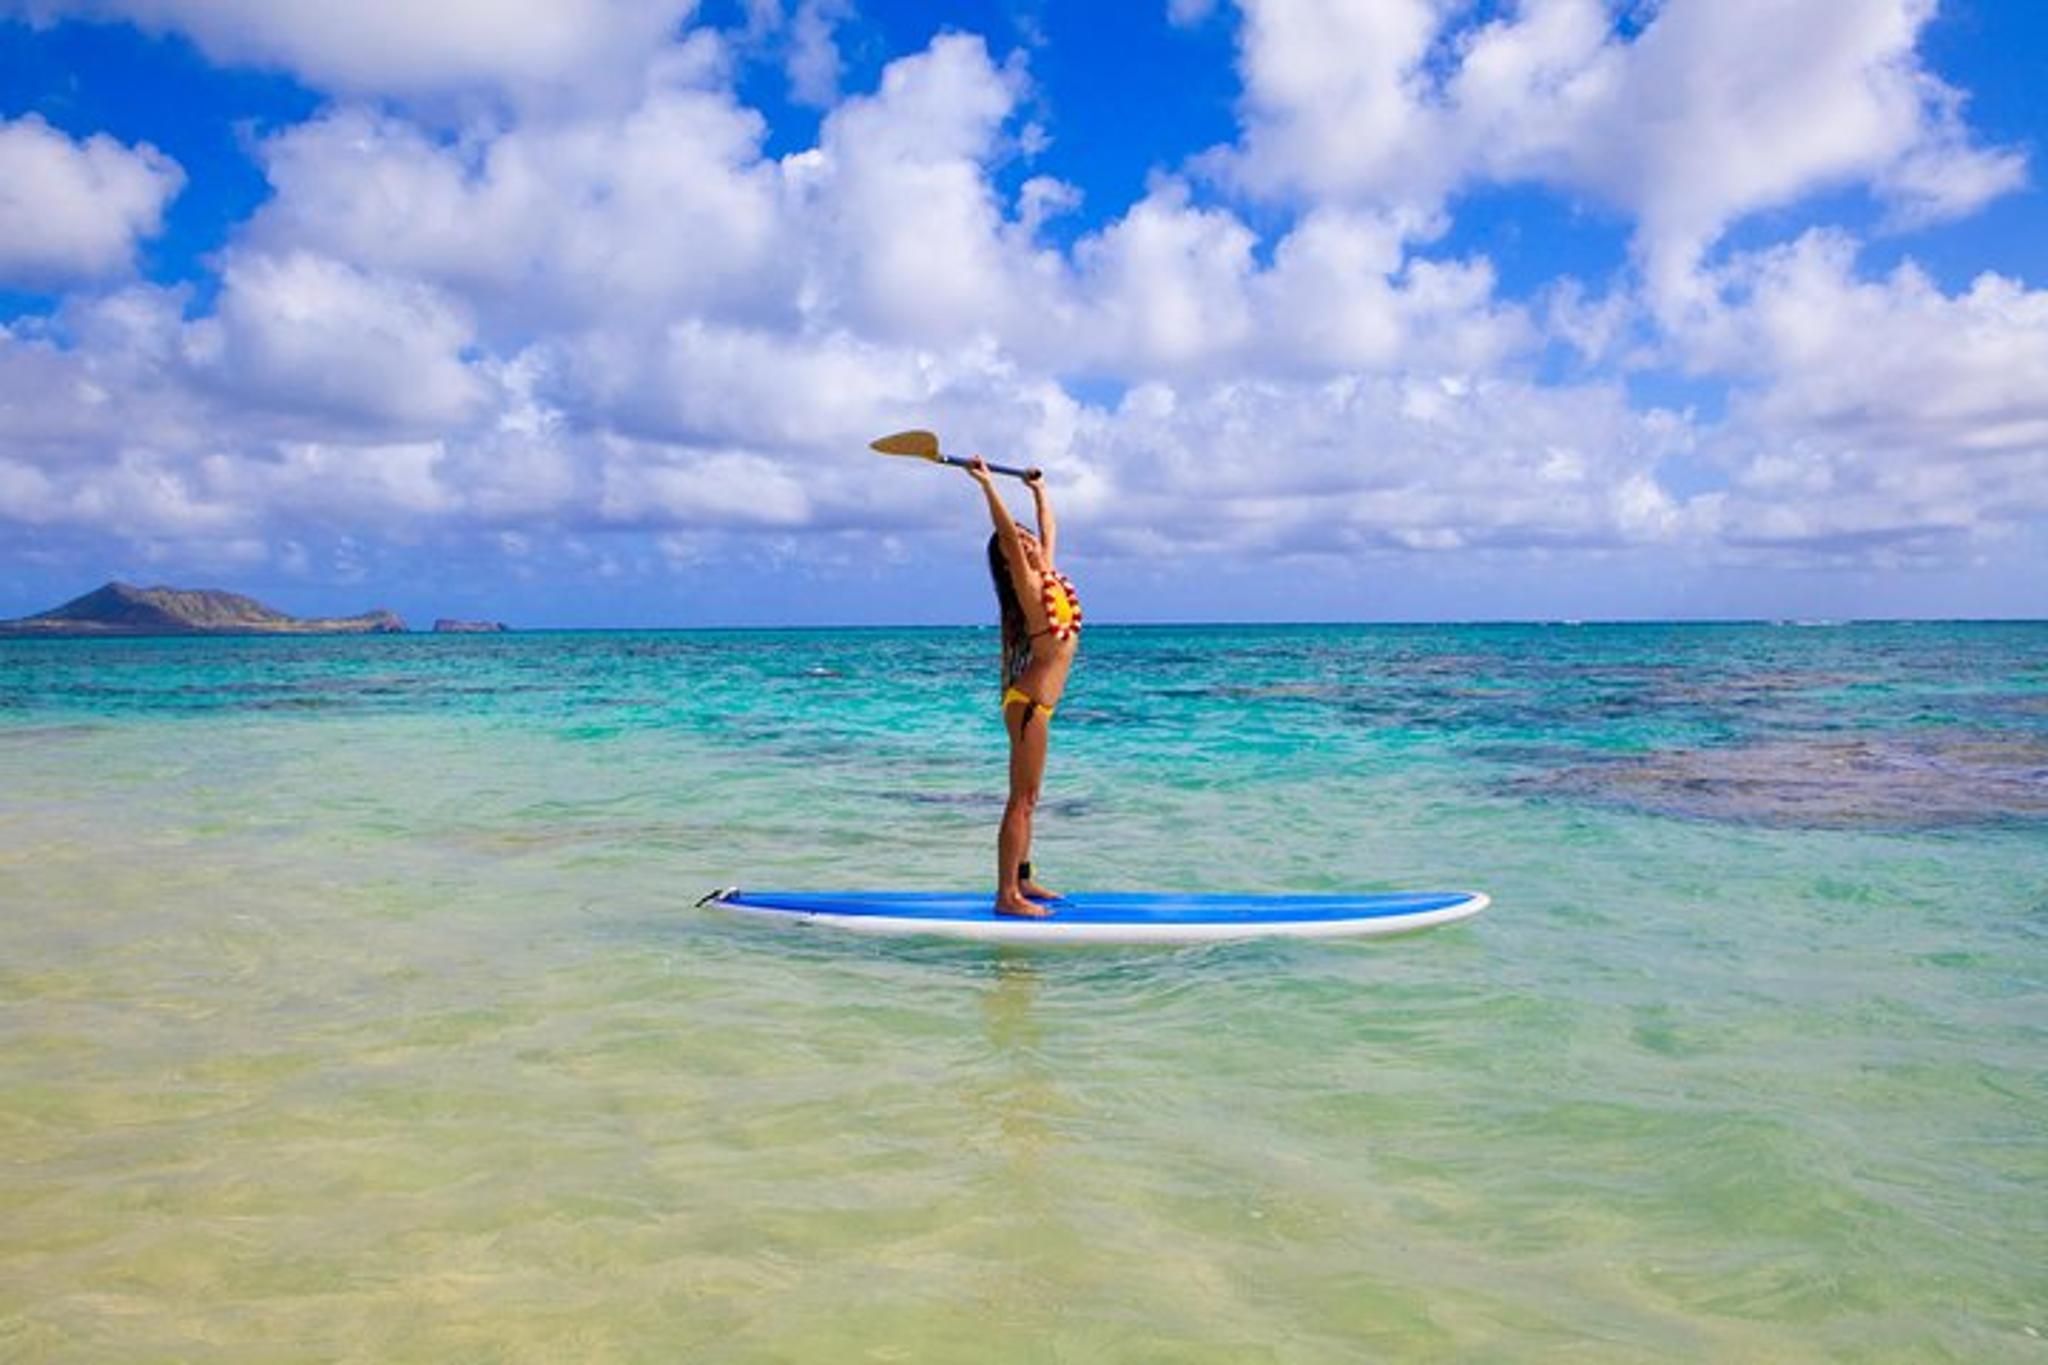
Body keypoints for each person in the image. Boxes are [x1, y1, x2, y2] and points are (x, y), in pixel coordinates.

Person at [966, 454, 1082, 918]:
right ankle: (1005, 895)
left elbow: (1048, 527)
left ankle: (1024, 879)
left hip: (1038, 706)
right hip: (1029, 703)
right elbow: (1009, 538)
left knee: (1031, 799)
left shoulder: (1048, 574)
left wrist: (1039, 492)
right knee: (1021, 800)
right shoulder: (1029, 588)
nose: (1031, 543)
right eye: (1022, 543)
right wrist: (987, 485)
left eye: (1031, 540)